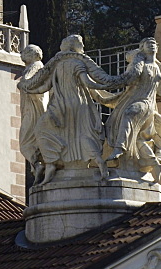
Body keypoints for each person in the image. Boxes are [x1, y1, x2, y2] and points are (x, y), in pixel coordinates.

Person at [18, 34, 122, 184]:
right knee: (82, 134)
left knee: (44, 130)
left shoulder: (61, 63)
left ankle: (54, 164)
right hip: (74, 104)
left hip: (62, 106)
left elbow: (43, 87)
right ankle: (53, 164)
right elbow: (91, 82)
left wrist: (27, 87)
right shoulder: (72, 62)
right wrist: (106, 88)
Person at [102, 37, 161, 181]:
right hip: (138, 100)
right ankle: (119, 149)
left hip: (151, 105)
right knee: (129, 114)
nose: (152, 45)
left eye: (154, 44)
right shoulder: (139, 64)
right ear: (142, 48)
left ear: (157, 48)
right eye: (148, 44)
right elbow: (129, 78)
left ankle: (157, 155)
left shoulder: (158, 67)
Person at [17, 44, 46, 184]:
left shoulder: (36, 65)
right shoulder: (35, 66)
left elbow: (26, 81)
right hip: (31, 108)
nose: (22, 54)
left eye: (25, 52)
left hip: (33, 110)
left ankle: (37, 164)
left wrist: (21, 84)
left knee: (24, 142)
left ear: (32, 54)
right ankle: (38, 164)